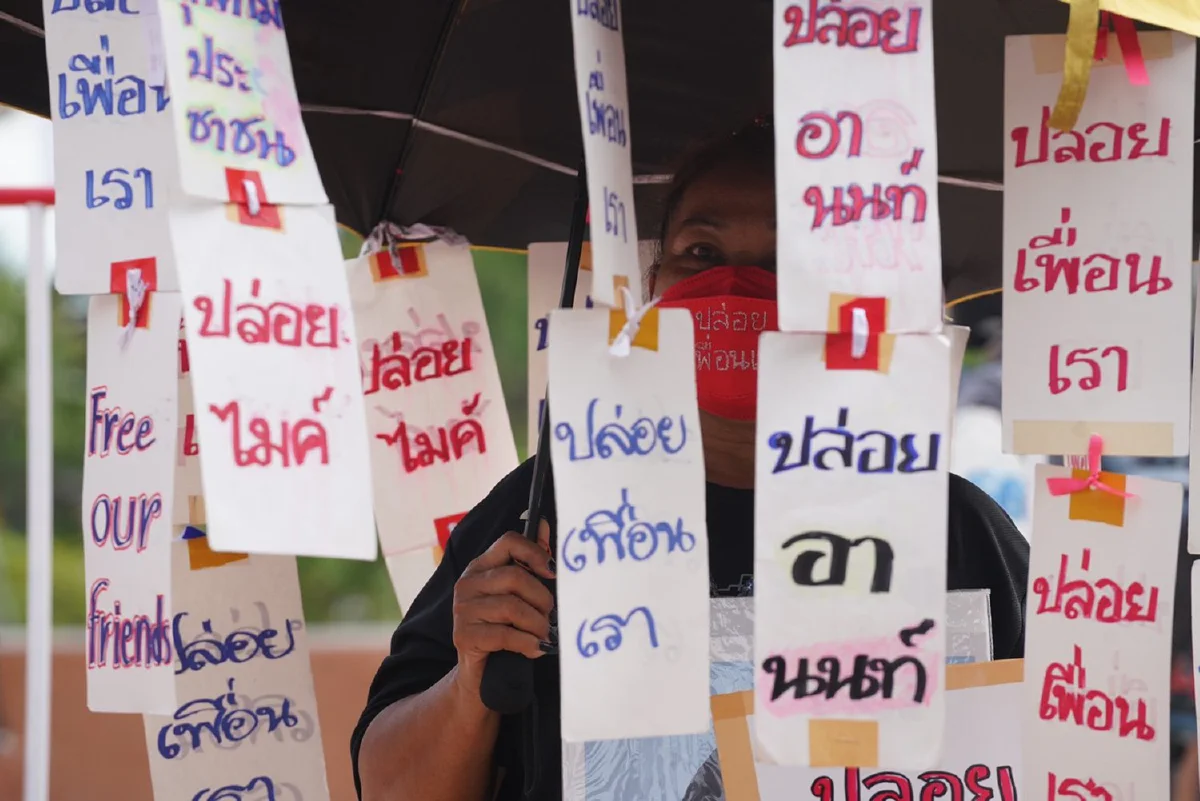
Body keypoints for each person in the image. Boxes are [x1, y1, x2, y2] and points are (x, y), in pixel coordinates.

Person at [351, 119, 1031, 801]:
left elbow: (1068, 758)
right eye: (701, 251)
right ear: (653, 283)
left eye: (782, 263)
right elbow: (387, 786)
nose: (735, 285)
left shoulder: (953, 529)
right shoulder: (545, 513)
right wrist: (470, 677)